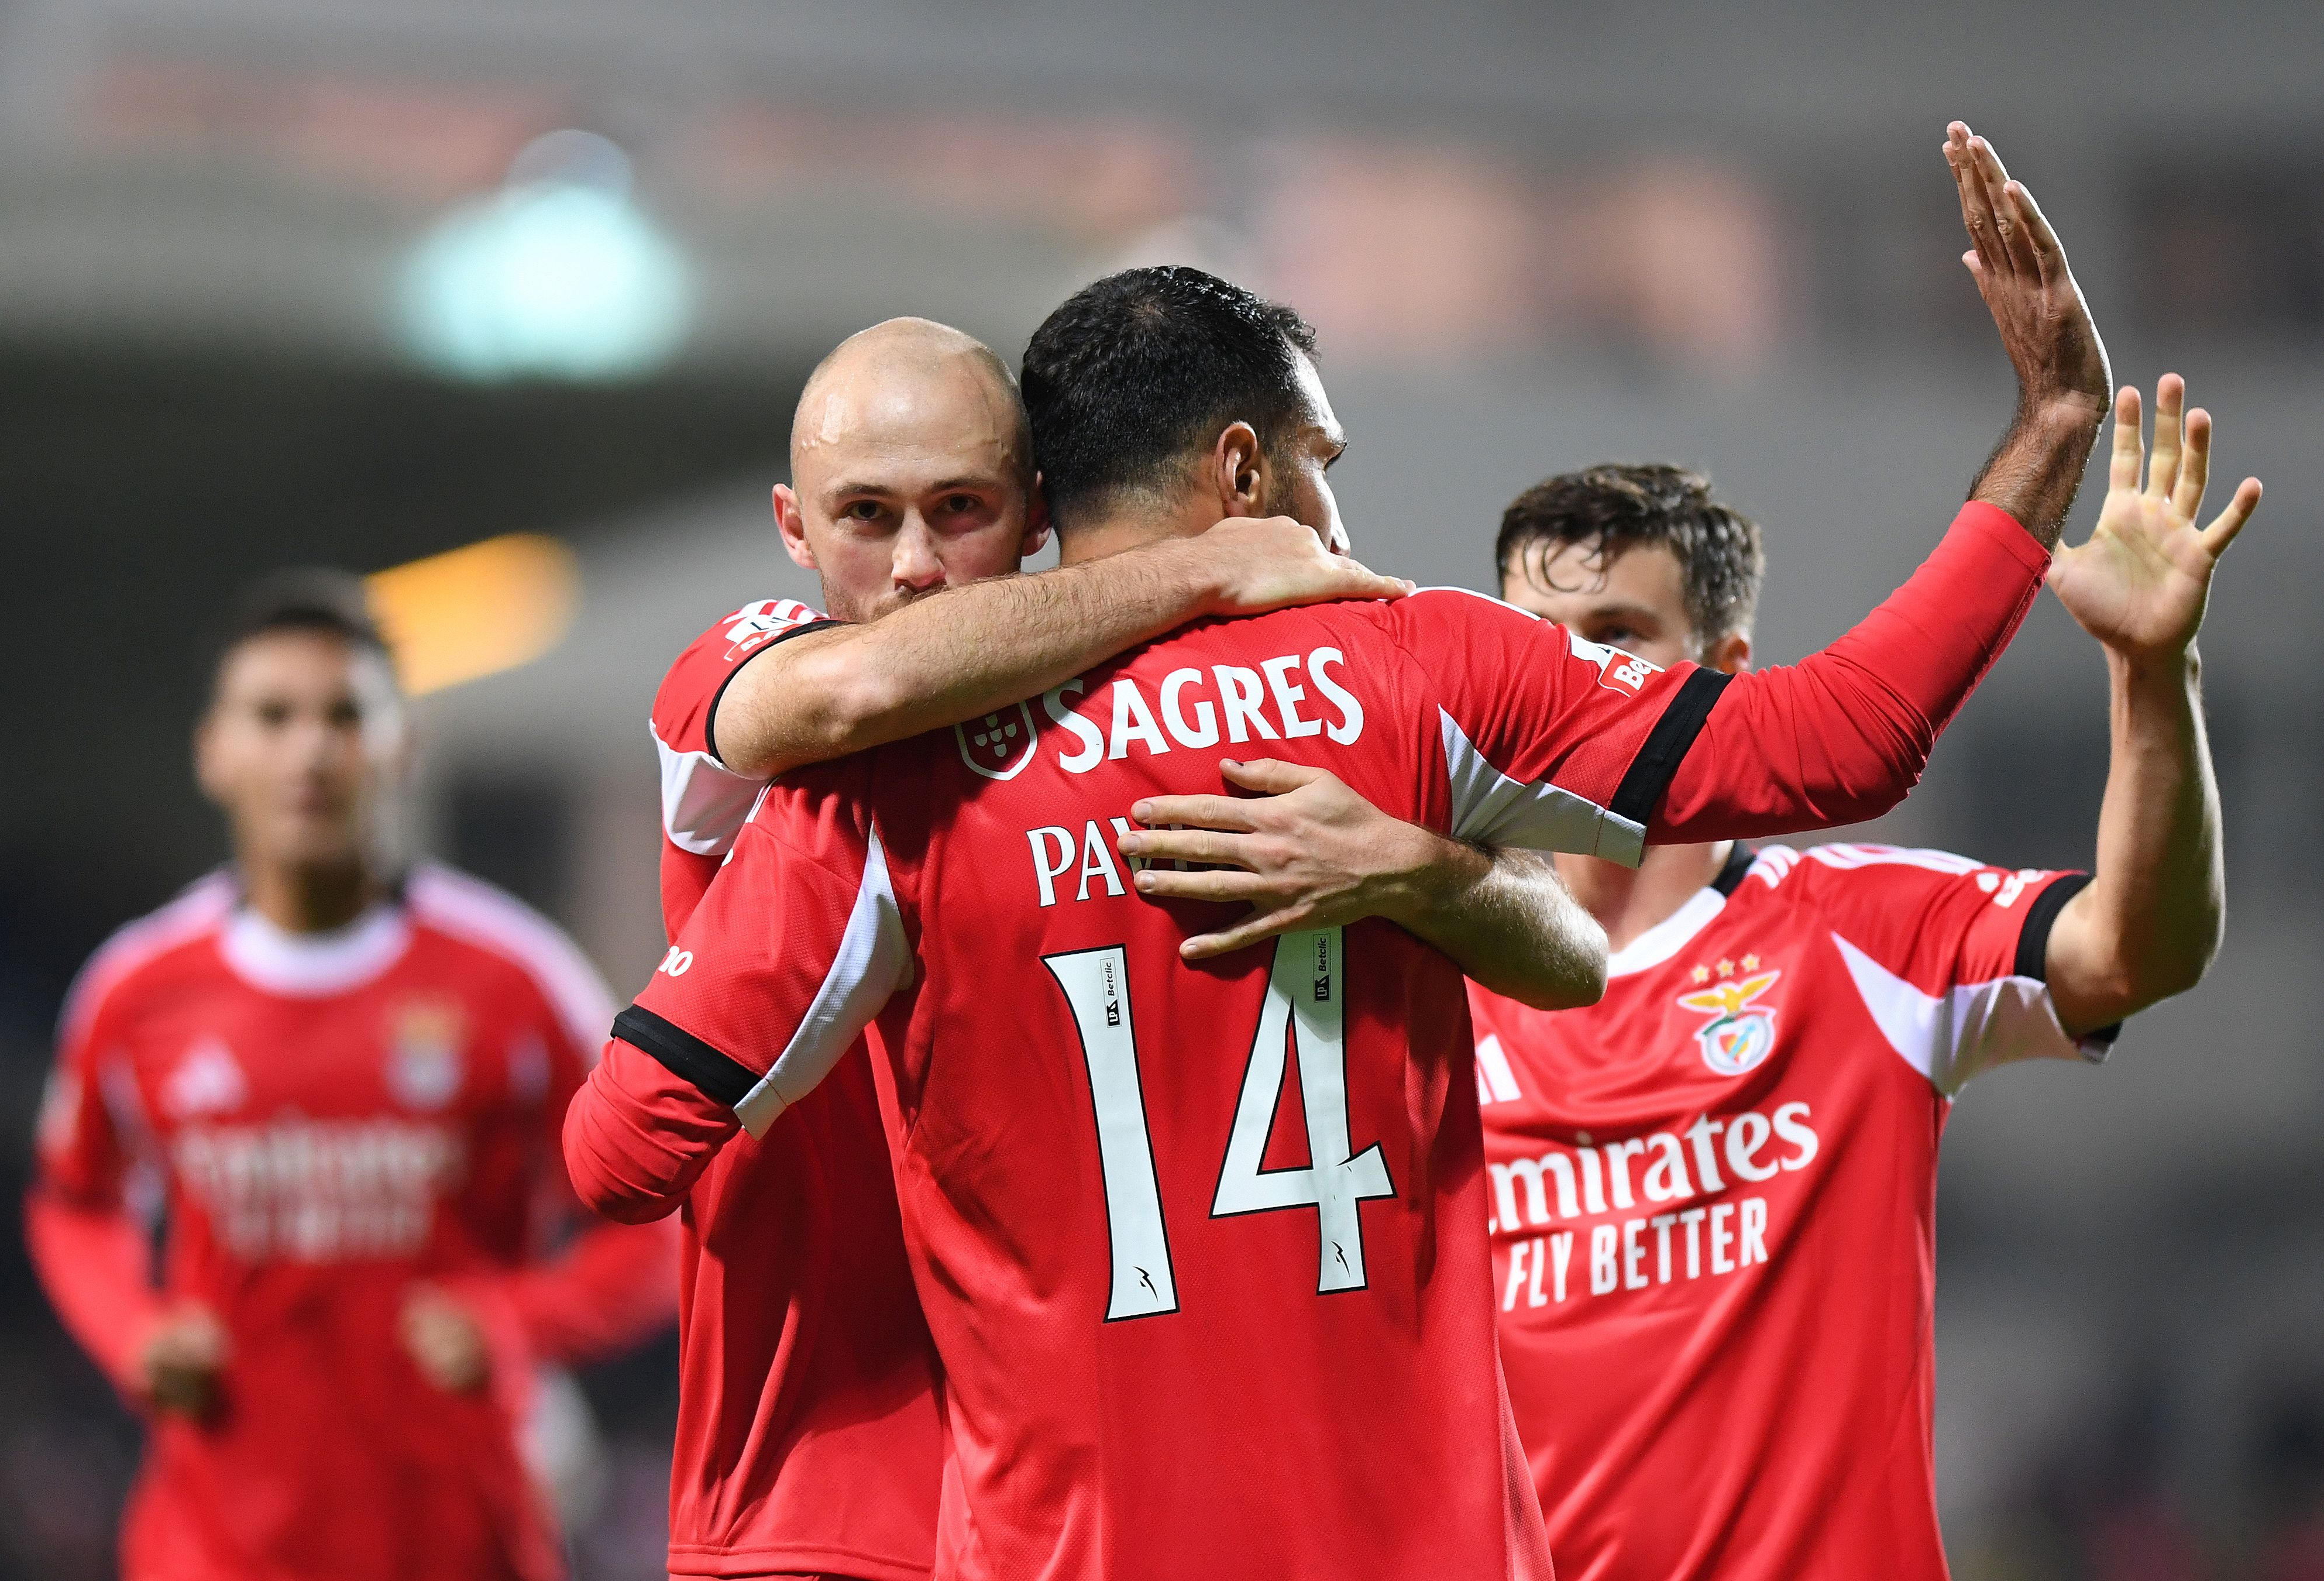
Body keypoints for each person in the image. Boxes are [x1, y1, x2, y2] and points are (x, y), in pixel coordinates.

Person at [565, 125, 2112, 1581]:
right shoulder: (1412, 661)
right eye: (1323, 464)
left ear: (1035, 508)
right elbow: (1841, 740)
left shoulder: (882, 786)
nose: (1334, 515)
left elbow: (620, 1150)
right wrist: (2047, 434)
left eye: (952, 509)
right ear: (1245, 473)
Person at [637, 317, 1607, 1581]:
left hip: (1073, 1490)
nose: (917, 564)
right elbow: (847, 695)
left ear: (1035, 511)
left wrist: (1421, 870)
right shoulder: (760, 666)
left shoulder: (1139, 728)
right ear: (794, 526)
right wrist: (1203, 568)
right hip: (811, 1493)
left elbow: (1571, 956)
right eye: (865, 515)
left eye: (960, 509)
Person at [1462, 369, 2253, 1581]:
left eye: (1615, 638)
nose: (1570, 680)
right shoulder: (1435, 980)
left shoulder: (1863, 933)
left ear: (1725, 669)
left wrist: (2154, 673)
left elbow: (2137, 949)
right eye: (1535, 638)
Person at [27, 576, 676, 1581]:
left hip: (459, 1541)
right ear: (213, 750)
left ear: (400, 744)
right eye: (273, 716)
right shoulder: (137, 989)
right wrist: (135, 1331)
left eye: (344, 716)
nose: (310, 750)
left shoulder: (515, 978)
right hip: (212, 1546)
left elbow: (654, 1221)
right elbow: (75, 1201)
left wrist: (518, 1322)